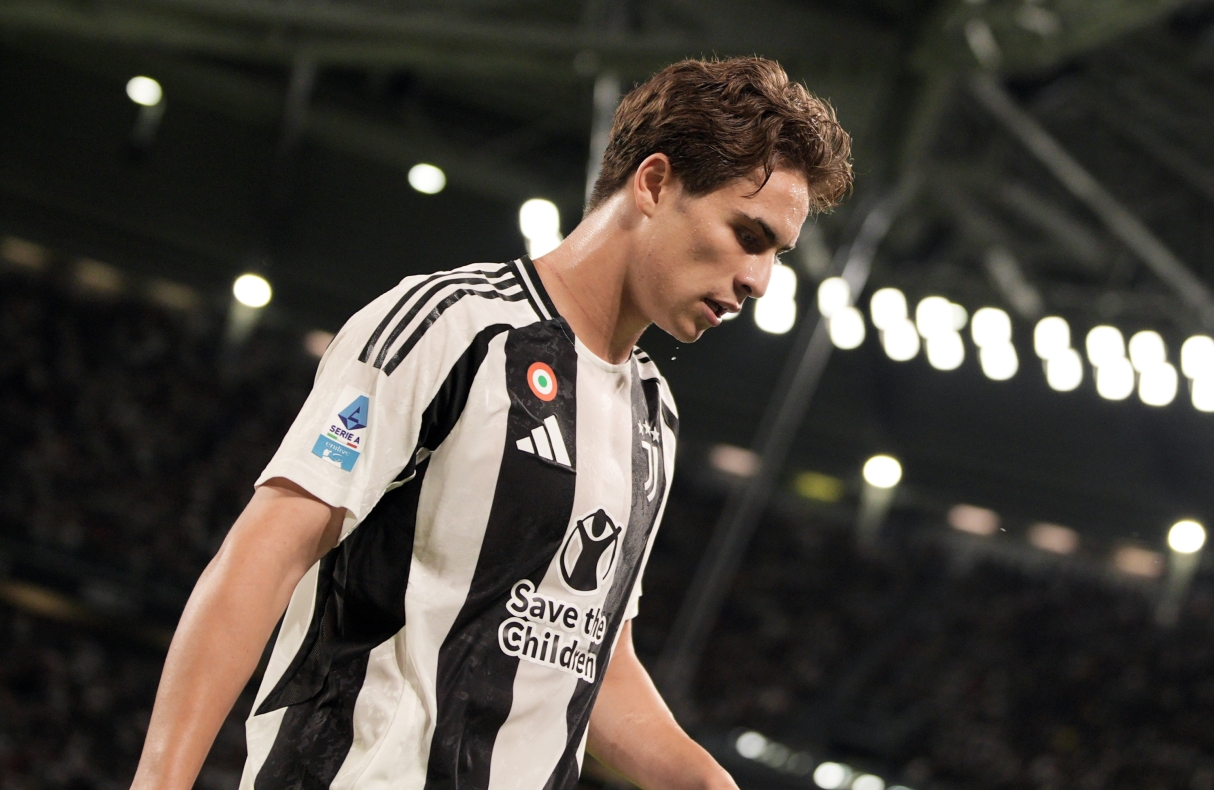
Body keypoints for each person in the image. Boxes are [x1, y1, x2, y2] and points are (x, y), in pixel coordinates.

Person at [131, 56, 852, 790]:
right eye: (748, 234)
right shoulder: (451, 328)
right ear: (656, 183)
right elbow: (263, 558)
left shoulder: (653, 414)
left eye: (776, 255)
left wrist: (708, 784)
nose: (759, 281)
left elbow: (585, 659)